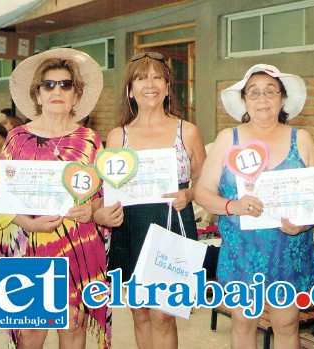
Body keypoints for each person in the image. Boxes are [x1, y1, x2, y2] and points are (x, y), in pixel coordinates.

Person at [0, 48, 121, 349]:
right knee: (30, 333)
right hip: (32, 245)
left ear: (76, 95)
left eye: (65, 84)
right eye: (49, 85)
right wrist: (31, 226)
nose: (57, 91)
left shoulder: (90, 140)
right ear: (37, 95)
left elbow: (102, 196)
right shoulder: (17, 138)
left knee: (74, 326)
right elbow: (0, 197)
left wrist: (92, 210)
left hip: (80, 245)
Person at [194, 64, 314, 349]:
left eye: (270, 91)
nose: (262, 99)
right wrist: (232, 206)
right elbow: (202, 192)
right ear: (245, 101)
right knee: (242, 322)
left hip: (288, 250)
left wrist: (306, 221)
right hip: (241, 250)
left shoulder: (301, 140)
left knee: (287, 324)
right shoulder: (229, 139)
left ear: (282, 98)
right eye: (254, 92)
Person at [106, 51, 206, 349]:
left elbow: (204, 180)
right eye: (140, 78)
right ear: (130, 89)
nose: (149, 84)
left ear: (167, 86)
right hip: (130, 226)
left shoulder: (186, 131)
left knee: (164, 314)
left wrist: (189, 194)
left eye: (156, 77)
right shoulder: (116, 137)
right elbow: (108, 189)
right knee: (140, 313)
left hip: (171, 224)